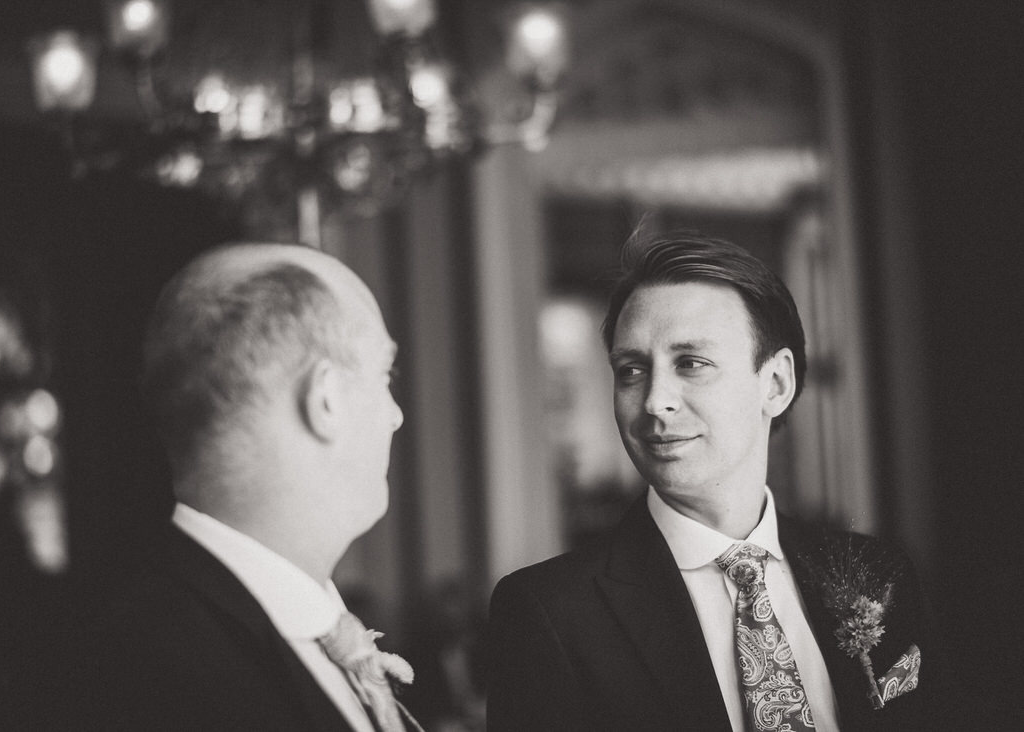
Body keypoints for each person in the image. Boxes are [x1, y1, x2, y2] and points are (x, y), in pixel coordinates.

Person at [486, 229, 936, 731]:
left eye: (692, 363)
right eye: (631, 370)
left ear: (776, 384)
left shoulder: (880, 574)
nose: (656, 401)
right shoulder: (549, 611)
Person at [64, 243, 419, 731]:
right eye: (385, 374)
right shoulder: (158, 674)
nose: (396, 415)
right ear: (325, 400)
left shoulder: (305, 633)